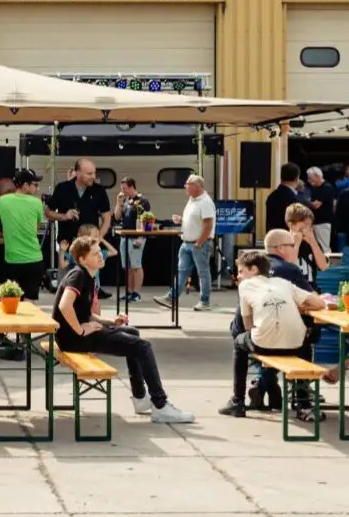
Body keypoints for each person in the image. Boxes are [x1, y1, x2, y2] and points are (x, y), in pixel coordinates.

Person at [53, 233, 191, 423]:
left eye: (100, 252)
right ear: (82, 259)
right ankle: (160, 405)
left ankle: (140, 397)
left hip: (77, 335)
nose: (100, 255)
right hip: (73, 340)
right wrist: (81, 330)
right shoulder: (77, 275)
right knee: (143, 346)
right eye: (95, 254)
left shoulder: (87, 276)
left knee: (132, 333)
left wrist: (110, 322)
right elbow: (64, 305)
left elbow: (85, 313)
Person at [225, 248, 325, 417]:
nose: (239, 276)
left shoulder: (245, 286)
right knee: (306, 344)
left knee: (239, 343)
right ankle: (303, 403)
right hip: (295, 345)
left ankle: (238, 401)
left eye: (241, 271)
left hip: (263, 344)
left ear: (254, 269)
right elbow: (319, 303)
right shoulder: (283, 283)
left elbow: (248, 325)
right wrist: (294, 305)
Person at [0, 168, 49, 298]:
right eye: (35, 185)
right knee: (31, 303)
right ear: (25, 185)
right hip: (35, 259)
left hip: (12, 261)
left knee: (11, 300)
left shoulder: (2, 201)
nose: (37, 189)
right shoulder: (37, 202)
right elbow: (35, 229)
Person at [171, 174, 217, 311]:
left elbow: (208, 225)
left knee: (203, 273)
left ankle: (205, 301)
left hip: (199, 243)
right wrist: (181, 220)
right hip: (186, 242)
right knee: (181, 271)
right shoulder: (192, 200)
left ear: (196, 187)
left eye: (187, 184)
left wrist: (199, 243)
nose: (185, 187)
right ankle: (171, 297)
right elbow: (194, 220)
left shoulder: (206, 202)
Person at [48, 158, 111, 252]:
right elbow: (48, 213)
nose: (93, 176)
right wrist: (64, 216)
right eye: (89, 174)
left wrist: (97, 240)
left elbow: (106, 219)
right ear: (78, 173)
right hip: (67, 246)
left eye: (94, 173)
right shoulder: (62, 188)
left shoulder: (99, 190)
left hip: (90, 248)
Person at [283, 201, 332, 275]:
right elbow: (289, 267)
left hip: (310, 285)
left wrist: (313, 242)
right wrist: (296, 245)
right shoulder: (284, 243)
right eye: (305, 225)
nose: (307, 229)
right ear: (291, 225)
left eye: (310, 225)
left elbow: (323, 266)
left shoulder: (310, 243)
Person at [264, 162, 308, 243]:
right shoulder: (294, 199)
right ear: (297, 178)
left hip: (272, 239)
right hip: (287, 241)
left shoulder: (272, 196)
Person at [304, 165, 336, 258]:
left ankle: (327, 268)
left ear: (317, 176)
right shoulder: (312, 188)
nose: (309, 180)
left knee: (324, 247)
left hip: (323, 223)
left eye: (310, 178)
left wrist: (304, 201)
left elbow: (316, 205)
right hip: (313, 222)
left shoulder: (327, 187)